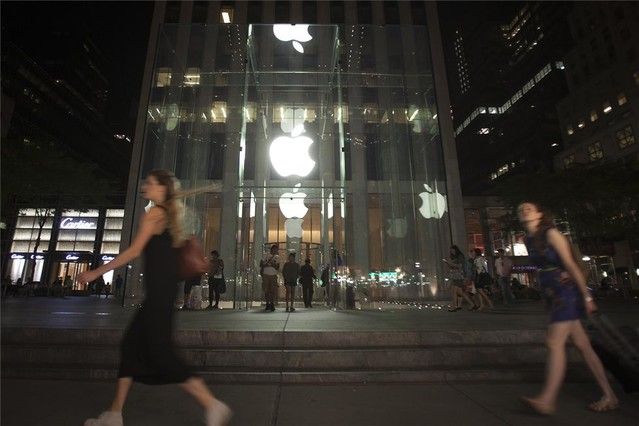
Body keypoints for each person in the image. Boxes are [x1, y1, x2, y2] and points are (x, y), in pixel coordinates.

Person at [77, 169, 231, 426]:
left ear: (161, 188)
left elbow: (134, 251)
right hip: (161, 292)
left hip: (160, 294)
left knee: (162, 353)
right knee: (130, 347)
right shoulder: (169, 214)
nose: (145, 186)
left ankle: (212, 404)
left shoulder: (156, 213)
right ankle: (115, 414)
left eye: (150, 182)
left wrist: (97, 272)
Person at [518, 201, 618, 415]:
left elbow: (571, 264)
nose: (524, 210)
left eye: (529, 208)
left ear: (540, 214)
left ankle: (547, 400)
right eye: (521, 209)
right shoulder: (528, 239)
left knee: (554, 342)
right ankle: (609, 395)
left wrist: (587, 296)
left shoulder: (551, 233)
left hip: (566, 293)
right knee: (583, 345)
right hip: (552, 294)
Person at [444, 245, 477, 312]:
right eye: (451, 250)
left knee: (454, 292)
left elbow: (460, 266)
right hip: (454, 275)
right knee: (460, 292)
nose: (452, 252)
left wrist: (449, 263)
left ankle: (454, 307)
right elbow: (452, 267)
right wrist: (448, 264)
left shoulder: (460, 256)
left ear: (456, 250)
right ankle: (472, 304)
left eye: (453, 250)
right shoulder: (454, 257)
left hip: (459, 276)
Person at [260, 244, 280, 312]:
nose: (276, 251)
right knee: (266, 290)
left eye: (277, 250)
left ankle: (272, 303)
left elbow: (277, 267)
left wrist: (271, 264)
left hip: (273, 275)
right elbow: (261, 264)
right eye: (275, 249)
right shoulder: (266, 255)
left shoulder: (277, 257)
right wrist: (267, 264)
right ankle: (267, 304)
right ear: (272, 249)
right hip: (266, 274)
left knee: (272, 290)